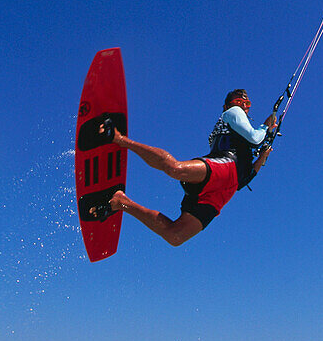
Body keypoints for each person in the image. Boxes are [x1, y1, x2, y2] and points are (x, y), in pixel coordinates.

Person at [89, 90, 278, 246]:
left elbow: (246, 178)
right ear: (228, 105)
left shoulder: (240, 125)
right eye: (240, 101)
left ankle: (120, 202)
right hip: (224, 167)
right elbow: (255, 138)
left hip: (225, 191)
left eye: (248, 103)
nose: (244, 105)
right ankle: (118, 138)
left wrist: (262, 157)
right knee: (176, 169)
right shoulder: (231, 113)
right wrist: (266, 125)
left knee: (175, 236)